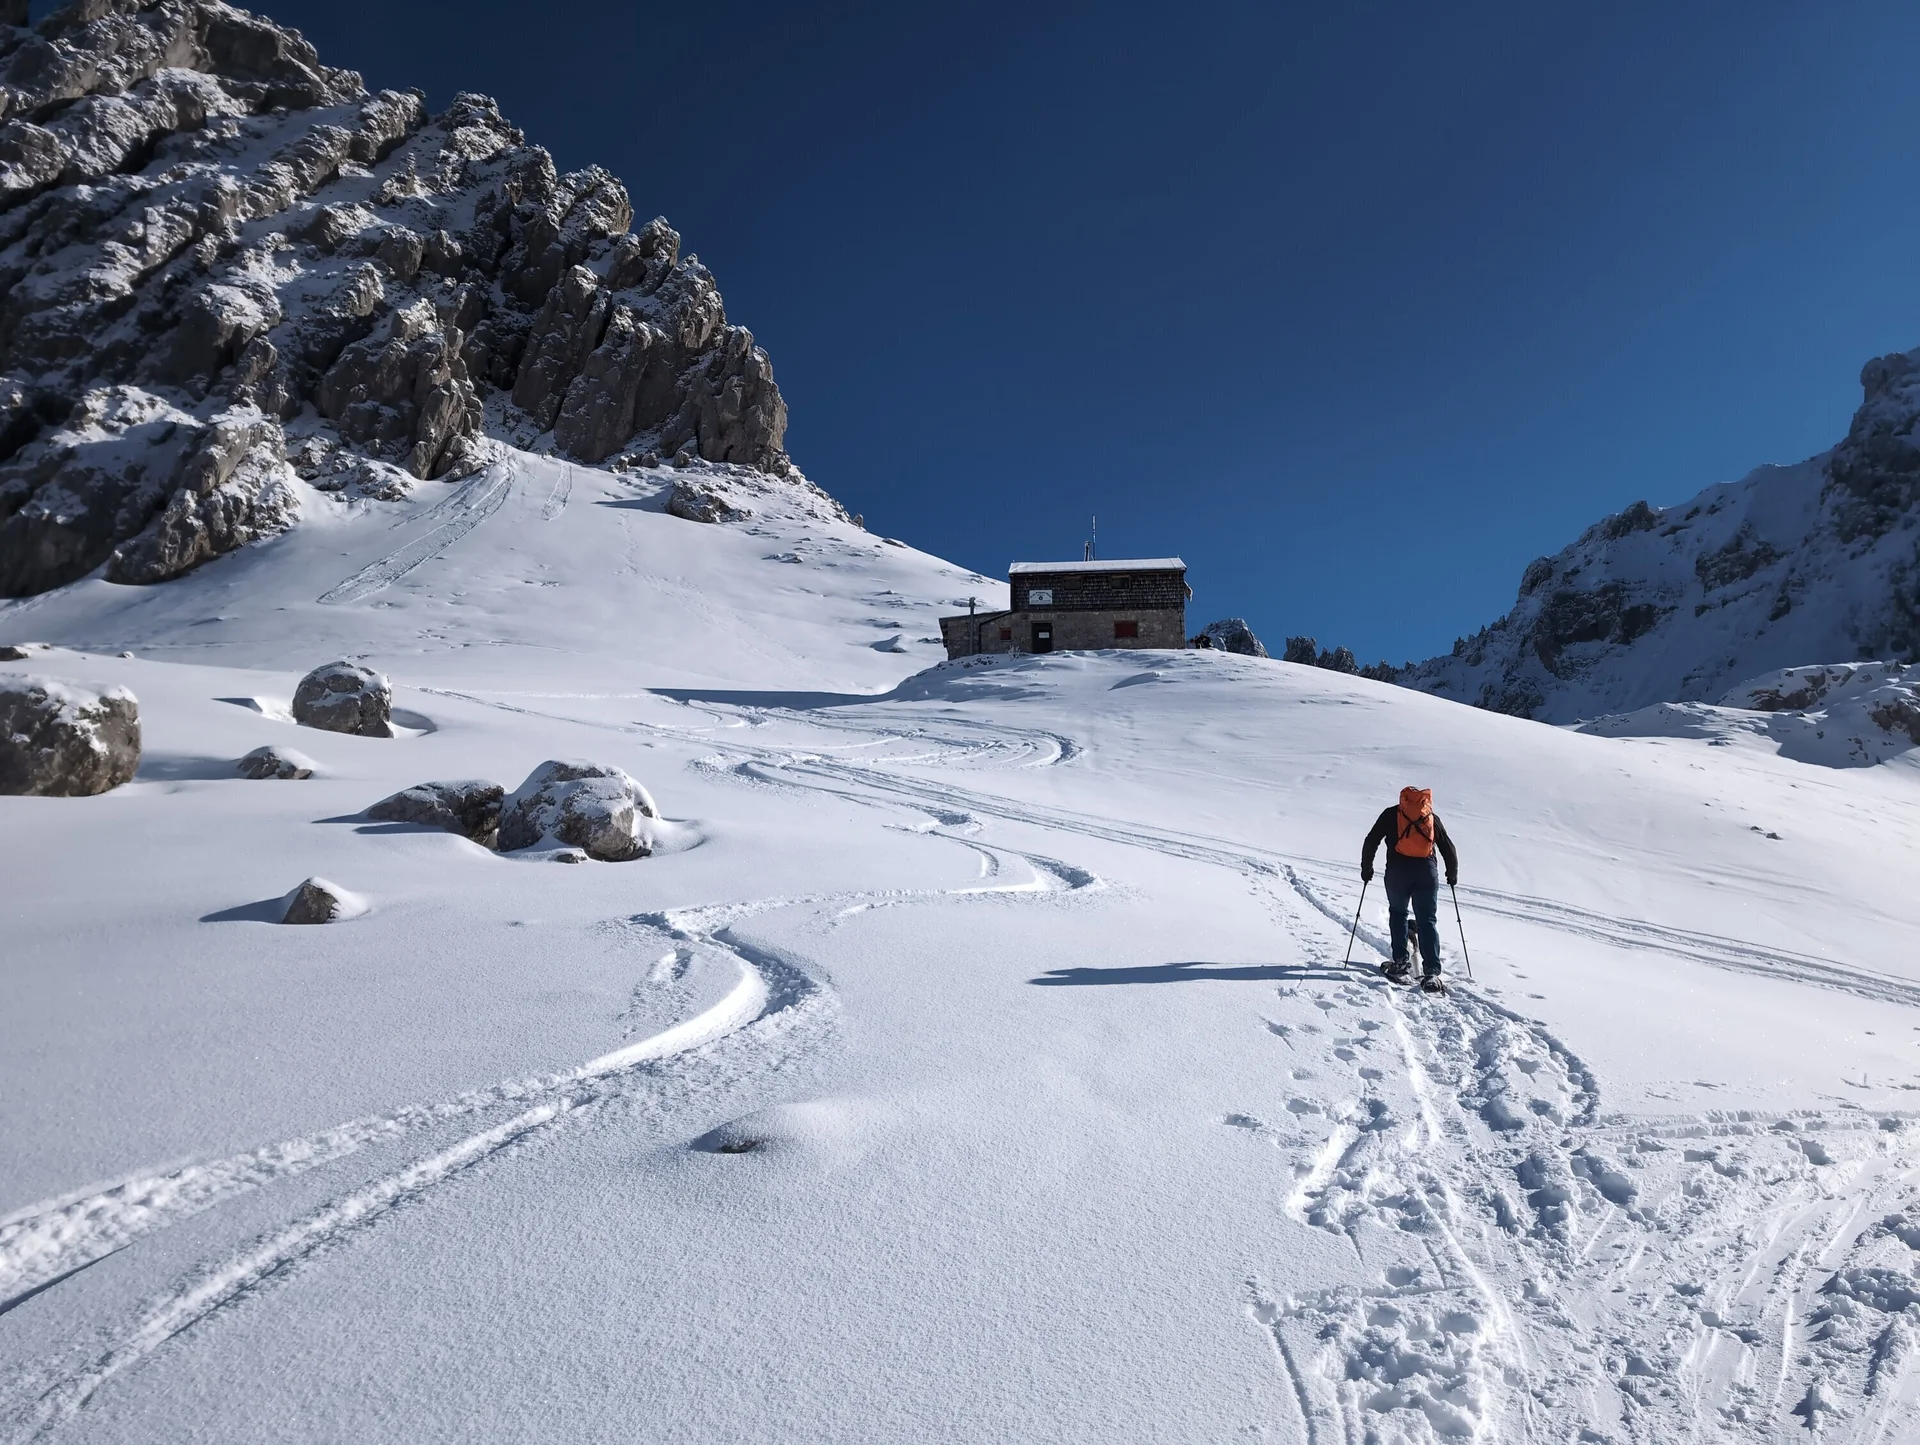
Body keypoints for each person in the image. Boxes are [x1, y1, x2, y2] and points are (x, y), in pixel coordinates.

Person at [1361, 787, 1458, 992]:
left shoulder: (1391, 814)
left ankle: (1401, 964)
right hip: (1426, 873)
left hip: (1398, 873)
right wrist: (1452, 874)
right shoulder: (1430, 817)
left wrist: (1366, 869)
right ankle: (1432, 973)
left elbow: (1371, 841)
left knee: (1398, 913)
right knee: (1427, 920)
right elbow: (1448, 847)